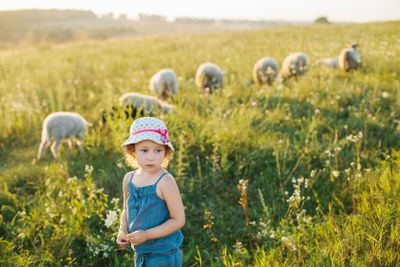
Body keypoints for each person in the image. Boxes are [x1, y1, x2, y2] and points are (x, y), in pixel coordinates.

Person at [116, 117, 185, 266]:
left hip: (163, 255)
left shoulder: (165, 181)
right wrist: (122, 230)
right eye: (144, 150)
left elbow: (178, 220)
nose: (151, 156)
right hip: (140, 254)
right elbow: (125, 211)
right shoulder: (129, 179)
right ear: (133, 151)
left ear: (165, 152)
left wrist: (147, 234)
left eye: (158, 150)